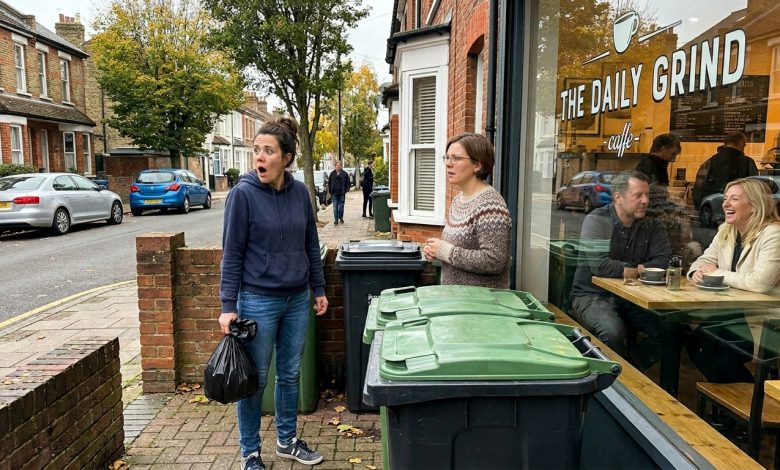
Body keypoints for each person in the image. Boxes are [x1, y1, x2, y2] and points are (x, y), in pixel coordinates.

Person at [219, 117, 328, 470]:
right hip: (257, 300)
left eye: (268, 151)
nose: (259, 158)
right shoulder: (243, 194)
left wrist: (318, 287)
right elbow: (232, 252)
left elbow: (311, 243)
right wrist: (227, 305)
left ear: (287, 157)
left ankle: (286, 441)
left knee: (291, 374)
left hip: (297, 298)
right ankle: (250, 453)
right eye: (256, 151)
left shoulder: (299, 193)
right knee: (255, 379)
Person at [570, 171, 672, 361]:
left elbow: (663, 261)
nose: (645, 201)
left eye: (647, 195)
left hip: (635, 298)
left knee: (670, 331)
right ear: (618, 197)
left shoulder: (652, 224)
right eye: (638, 195)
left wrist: (630, 270)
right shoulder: (597, 220)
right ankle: (615, 384)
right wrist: (641, 269)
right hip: (592, 295)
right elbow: (600, 267)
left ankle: (633, 372)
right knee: (613, 332)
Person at [686, 178, 780, 382]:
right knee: (695, 341)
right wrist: (696, 273)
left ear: (754, 206)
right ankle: (744, 401)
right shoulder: (726, 231)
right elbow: (703, 260)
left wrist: (717, 273)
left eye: (734, 199)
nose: (725, 203)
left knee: (711, 346)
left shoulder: (773, 234)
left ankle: (752, 402)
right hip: (733, 313)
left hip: (765, 323)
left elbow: (760, 283)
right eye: (726, 198)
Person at [422, 133, 512, 288]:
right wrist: (435, 251)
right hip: (456, 301)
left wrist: (445, 251)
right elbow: (456, 248)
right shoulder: (458, 200)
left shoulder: (490, 205)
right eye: (447, 157)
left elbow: (494, 260)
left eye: (456, 158)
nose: (449, 164)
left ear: (477, 165)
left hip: (480, 305)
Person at [692, 130, 758, 209]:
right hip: (738, 212)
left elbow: (698, 190)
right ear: (741, 145)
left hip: (712, 210)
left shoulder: (709, 162)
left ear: (725, 144)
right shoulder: (748, 163)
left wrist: (702, 210)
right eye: (744, 146)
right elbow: (755, 190)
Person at [328, 161, 351, 225]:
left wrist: (347, 190)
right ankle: (336, 219)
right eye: (337, 165)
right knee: (335, 206)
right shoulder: (332, 173)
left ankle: (341, 218)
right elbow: (329, 183)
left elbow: (348, 183)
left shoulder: (344, 173)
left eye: (339, 165)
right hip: (334, 193)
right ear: (335, 166)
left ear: (341, 166)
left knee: (341, 206)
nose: (338, 166)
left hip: (342, 192)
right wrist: (329, 191)